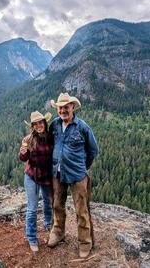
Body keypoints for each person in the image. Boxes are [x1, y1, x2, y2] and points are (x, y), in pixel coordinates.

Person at [47, 93, 99, 258]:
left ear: (73, 107)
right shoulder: (54, 125)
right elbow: (48, 144)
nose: (63, 110)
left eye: (66, 107)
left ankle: (85, 243)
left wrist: (83, 167)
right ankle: (58, 232)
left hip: (77, 175)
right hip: (57, 173)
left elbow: (93, 150)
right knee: (57, 204)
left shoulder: (82, 127)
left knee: (81, 210)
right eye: (60, 108)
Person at [19, 111, 53, 252]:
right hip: (32, 176)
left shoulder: (51, 137)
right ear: (32, 126)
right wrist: (23, 152)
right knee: (32, 209)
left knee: (47, 202)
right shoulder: (28, 139)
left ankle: (47, 223)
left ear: (45, 124)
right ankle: (32, 237)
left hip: (46, 176)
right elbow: (23, 158)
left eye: (41, 123)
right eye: (36, 124)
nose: (39, 126)